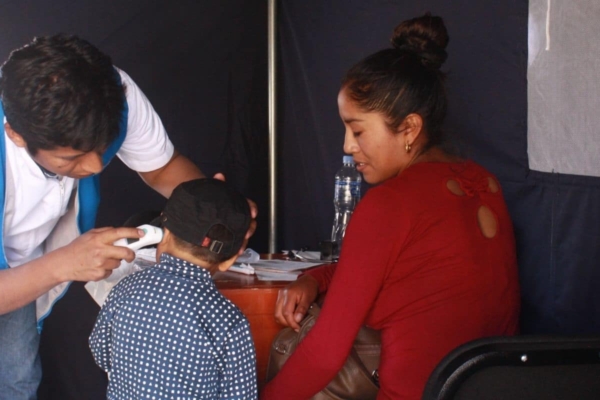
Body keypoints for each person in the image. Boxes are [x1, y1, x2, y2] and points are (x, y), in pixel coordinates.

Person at [261, 13, 520, 400]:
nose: (348, 146)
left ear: (410, 129)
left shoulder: (390, 204)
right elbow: (410, 270)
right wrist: (316, 277)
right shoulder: (485, 183)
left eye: (358, 130)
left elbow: (324, 354)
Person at [0, 34, 256, 399]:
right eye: (70, 159)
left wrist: (217, 208)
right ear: (16, 134)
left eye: (102, 148)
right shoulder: (227, 322)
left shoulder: (111, 92)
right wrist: (63, 265)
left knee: (16, 382)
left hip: (24, 267)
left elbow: (162, 168)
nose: (93, 166)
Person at [89, 178, 257, 399]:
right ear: (229, 260)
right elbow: (240, 396)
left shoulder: (126, 289)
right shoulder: (228, 320)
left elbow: (100, 351)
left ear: (164, 234)